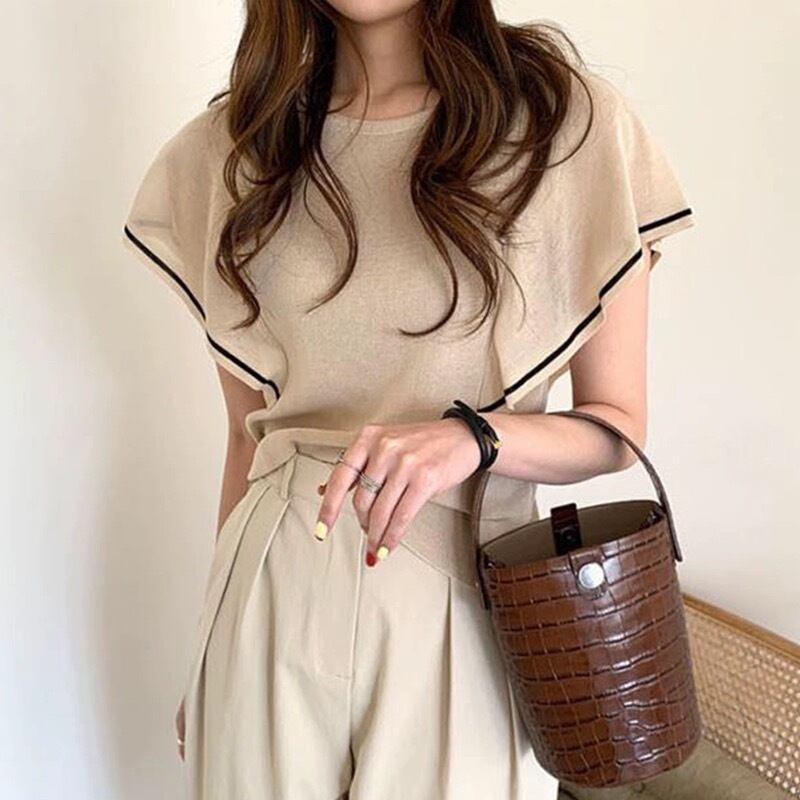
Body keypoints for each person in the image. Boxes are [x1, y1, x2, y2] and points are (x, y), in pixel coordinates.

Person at [121, 1, 696, 798]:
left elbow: (616, 427)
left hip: (466, 586)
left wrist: (475, 437)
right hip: (272, 582)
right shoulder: (238, 148)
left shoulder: (560, 123)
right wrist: (210, 643)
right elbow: (248, 438)